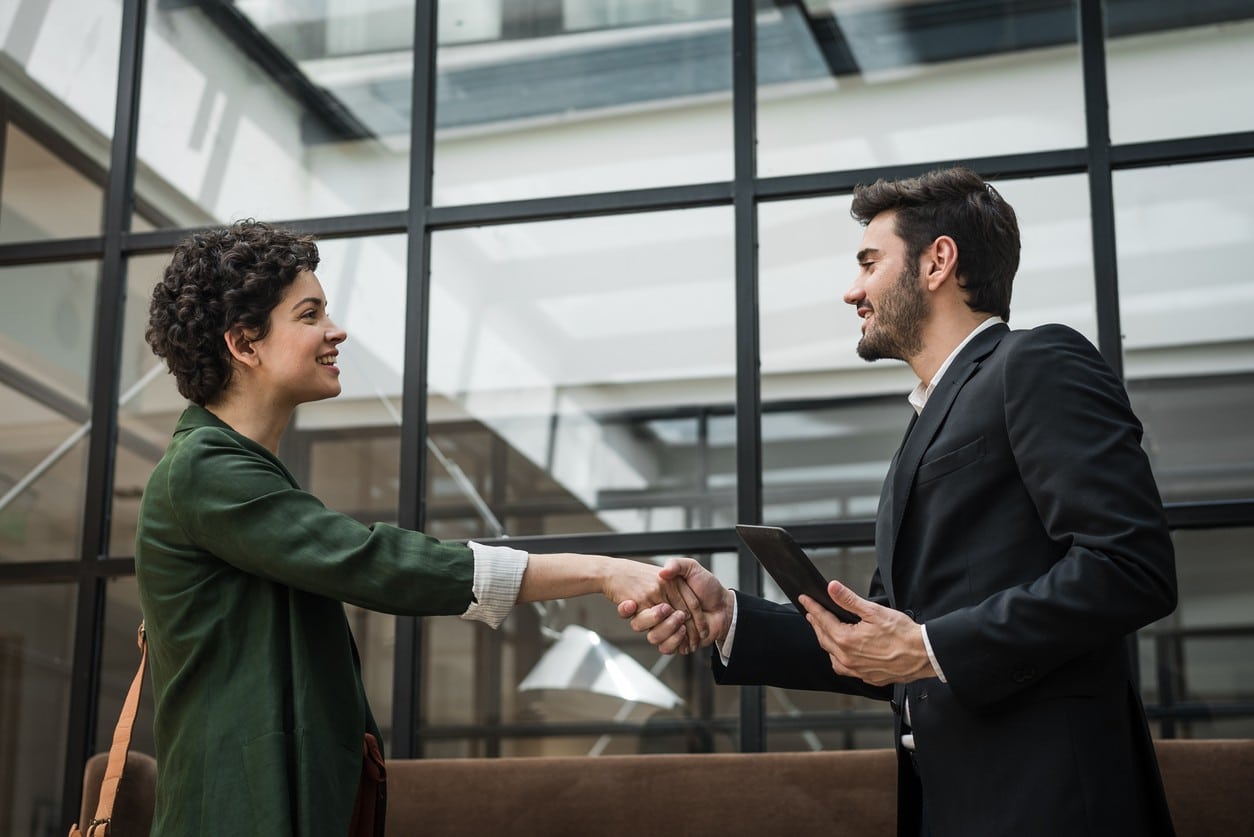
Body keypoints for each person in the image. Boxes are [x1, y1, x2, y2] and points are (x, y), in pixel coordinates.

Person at [623, 166, 1179, 836]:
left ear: (938, 260)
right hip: (948, 804)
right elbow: (879, 647)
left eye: (869, 261)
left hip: (1051, 802)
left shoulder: (1036, 362)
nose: (852, 290)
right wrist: (731, 616)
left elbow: (1131, 565)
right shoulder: (926, 420)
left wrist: (930, 645)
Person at [135, 220, 702, 837]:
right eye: (309, 315)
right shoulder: (204, 469)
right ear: (245, 344)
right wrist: (598, 571)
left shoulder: (240, 472)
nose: (336, 330)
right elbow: (376, 563)